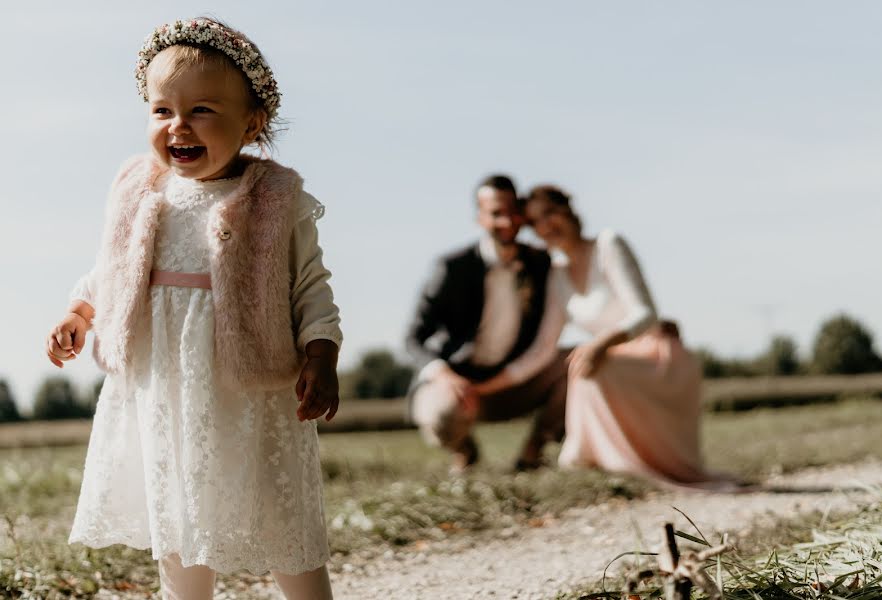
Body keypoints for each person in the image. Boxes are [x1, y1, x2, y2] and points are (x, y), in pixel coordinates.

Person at [45, 18, 340, 599]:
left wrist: (321, 351)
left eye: (203, 110)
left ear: (252, 122)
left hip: (248, 386)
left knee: (278, 509)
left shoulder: (278, 198)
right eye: (162, 111)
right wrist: (81, 311)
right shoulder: (138, 187)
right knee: (174, 507)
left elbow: (310, 284)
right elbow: (113, 266)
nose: (179, 126)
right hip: (163, 382)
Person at [475, 184, 728, 488]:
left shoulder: (608, 244)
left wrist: (602, 344)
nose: (545, 226)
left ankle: (600, 462)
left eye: (550, 213)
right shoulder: (557, 274)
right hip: (612, 362)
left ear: (569, 211)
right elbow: (543, 349)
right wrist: (489, 385)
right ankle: (594, 463)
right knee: (584, 363)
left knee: (589, 363)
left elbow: (646, 313)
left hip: (659, 358)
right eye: (534, 223)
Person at [406, 175, 568, 472]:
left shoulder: (541, 264)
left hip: (511, 382)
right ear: (479, 218)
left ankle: (533, 453)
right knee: (439, 413)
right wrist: (444, 375)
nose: (506, 221)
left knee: (578, 362)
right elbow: (413, 338)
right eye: (496, 213)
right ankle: (465, 451)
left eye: (512, 211)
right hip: (460, 383)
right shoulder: (452, 268)